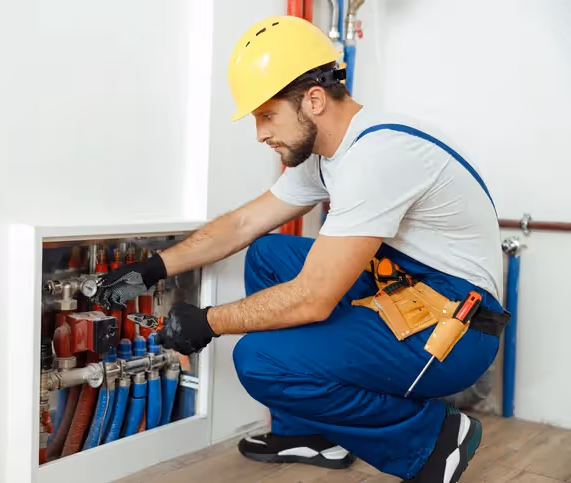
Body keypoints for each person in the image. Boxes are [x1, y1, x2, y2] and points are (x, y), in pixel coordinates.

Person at [95, 15, 510, 483]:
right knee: (269, 255)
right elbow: (244, 225)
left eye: (266, 115)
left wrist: (208, 321)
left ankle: (433, 441)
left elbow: (314, 297)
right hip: (408, 291)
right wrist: (150, 269)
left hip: (454, 330)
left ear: (313, 99)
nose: (260, 134)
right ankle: (312, 436)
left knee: (257, 360)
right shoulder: (333, 151)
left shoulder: (377, 158)